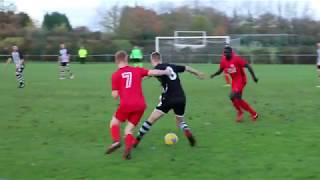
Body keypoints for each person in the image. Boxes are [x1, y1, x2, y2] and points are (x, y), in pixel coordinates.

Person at [106, 50, 171, 160]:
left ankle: (116, 141)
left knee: (114, 122)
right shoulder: (136, 70)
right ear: (126, 58)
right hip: (140, 105)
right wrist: (165, 72)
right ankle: (127, 148)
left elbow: (115, 95)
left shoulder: (115, 75)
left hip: (126, 104)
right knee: (128, 130)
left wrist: (119, 90)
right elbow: (152, 72)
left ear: (116, 61)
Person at [134, 52, 205, 148]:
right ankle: (186, 130)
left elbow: (145, 75)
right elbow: (187, 68)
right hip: (181, 97)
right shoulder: (172, 66)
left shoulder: (157, 68)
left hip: (168, 98)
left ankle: (136, 140)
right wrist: (198, 73)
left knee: (150, 120)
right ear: (160, 58)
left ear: (152, 60)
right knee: (180, 121)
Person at [210, 46, 259, 123]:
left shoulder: (237, 59)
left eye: (227, 52)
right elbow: (220, 70)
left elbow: (248, 66)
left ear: (231, 52)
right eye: (224, 53)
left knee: (232, 96)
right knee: (237, 99)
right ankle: (253, 114)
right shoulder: (223, 61)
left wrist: (254, 77)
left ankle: (240, 112)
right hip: (234, 81)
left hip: (241, 80)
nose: (225, 54)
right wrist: (214, 75)